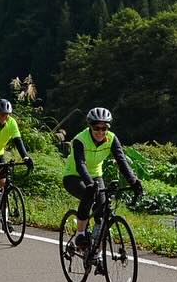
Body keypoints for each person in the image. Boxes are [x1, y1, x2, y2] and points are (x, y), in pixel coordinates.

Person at [61, 107, 142, 251]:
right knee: (89, 194)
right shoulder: (80, 140)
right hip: (73, 175)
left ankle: (96, 247)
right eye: (96, 128)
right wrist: (90, 184)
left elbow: (122, 161)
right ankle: (80, 233)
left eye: (104, 128)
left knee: (102, 207)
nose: (100, 132)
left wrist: (134, 181)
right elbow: (80, 164)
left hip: (96, 175)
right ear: (90, 126)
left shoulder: (111, 138)